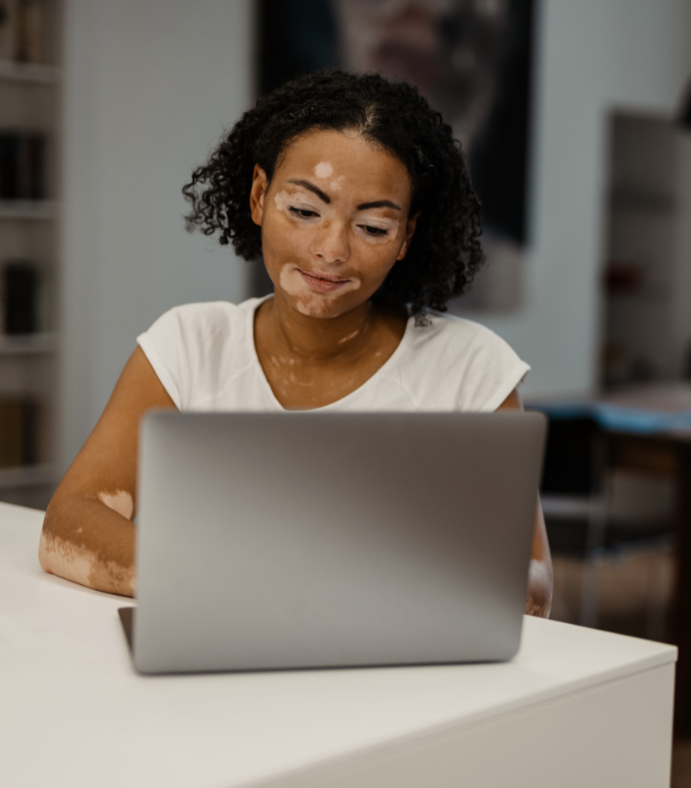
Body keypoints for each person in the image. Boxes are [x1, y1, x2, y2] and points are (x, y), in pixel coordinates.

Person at [38, 70, 552, 616]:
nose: (331, 250)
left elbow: (533, 585)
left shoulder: (470, 371)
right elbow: (70, 522)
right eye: (305, 211)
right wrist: (243, 583)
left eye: (374, 227)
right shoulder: (188, 346)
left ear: (406, 237)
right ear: (260, 197)